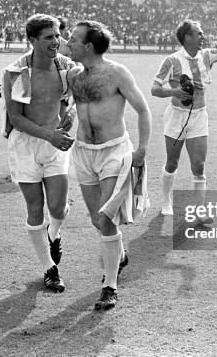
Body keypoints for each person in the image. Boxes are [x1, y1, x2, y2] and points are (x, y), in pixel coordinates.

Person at [66, 20, 151, 310]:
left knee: (106, 220)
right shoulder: (74, 74)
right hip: (83, 152)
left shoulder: (116, 73)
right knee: (96, 220)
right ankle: (120, 255)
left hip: (114, 152)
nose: (69, 41)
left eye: (74, 39)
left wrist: (141, 149)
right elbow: (68, 106)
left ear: (88, 46)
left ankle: (110, 287)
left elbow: (143, 109)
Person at [151, 7, 217, 219]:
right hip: (177, 116)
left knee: (198, 165)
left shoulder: (207, 56)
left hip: (199, 116)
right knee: (172, 162)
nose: (202, 36)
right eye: (199, 33)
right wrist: (175, 91)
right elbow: (155, 89)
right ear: (187, 37)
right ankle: (166, 201)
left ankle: (199, 212)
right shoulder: (172, 61)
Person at [0, 14, 77, 292]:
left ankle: (53, 234)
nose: (56, 41)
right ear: (32, 40)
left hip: (54, 141)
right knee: (35, 208)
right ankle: (49, 269)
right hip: (26, 145)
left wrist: (67, 116)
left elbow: (71, 101)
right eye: (49, 37)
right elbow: (17, 118)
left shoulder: (66, 66)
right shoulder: (18, 72)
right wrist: (51, 135)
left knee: (57, 208)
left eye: (57, 35)